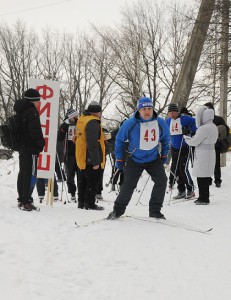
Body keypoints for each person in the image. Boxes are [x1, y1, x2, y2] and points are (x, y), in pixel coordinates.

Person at [107, 97, 170, 220]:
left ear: (153, 109)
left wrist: (164, 154)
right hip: (135, 159)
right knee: (128, 185)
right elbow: (119, 141)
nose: (147, 112)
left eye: (149, 109)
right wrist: (119, 159)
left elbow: (166, 139)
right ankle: (117, 211)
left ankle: (155, 211)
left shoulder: (160, 122)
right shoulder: (130, 123)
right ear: (139, 110)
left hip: (153, 158)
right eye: (144, 109)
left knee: (161, 180)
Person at [14, 88, 45, 211]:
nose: (39, 103)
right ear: (33, 100)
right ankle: (26, 201)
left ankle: (22, 198)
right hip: (30, 148)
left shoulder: (21, 111)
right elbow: (35, 131)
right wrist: (41, 144)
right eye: (38, 101)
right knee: (30, 174)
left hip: (22, 147)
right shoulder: (32, 112)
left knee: (23, 173)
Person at [183, 106, 218, 204]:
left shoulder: (203, 128)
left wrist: (186, 137)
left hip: (202, 154)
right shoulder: (213, 126)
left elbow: (194, 142)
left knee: (201, 177)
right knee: (205, 176)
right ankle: (204, 196)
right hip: (211, 152)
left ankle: (203, 198)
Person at [75, 101, 105, 210]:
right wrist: (96, 161)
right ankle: (90, 203)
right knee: (93, 181)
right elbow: (92, 143)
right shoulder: (93, 122)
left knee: (83, 180)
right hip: (90, 157)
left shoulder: (82, 119)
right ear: (97, 112)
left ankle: (81, 202)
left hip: (81, 155)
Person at [166, 103, 197, 199]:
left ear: (177, 111)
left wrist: (189, 130)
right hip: (174, 148)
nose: (172, 114)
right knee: (176, 170)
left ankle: (190, 189)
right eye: (170, 113)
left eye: (173, 112)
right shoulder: (167, 121)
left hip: (184, 147)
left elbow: (196, 124)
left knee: (183, 169)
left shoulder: (185, 119)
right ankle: (181, 190)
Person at [204, 102, 229, 188]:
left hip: (216, 145)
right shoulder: (204, 120)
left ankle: (217, 180)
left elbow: (226, 129)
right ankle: (208, 180)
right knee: (207, 164)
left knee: (216, 164)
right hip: (206, 145)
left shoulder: (218, 119)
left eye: (208, 109)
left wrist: (218, 132)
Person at [57, 108, 78, 201]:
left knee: (81, 174)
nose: (76, 117)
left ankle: (81, 192)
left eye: (76, 115)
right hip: (69, 153)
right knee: (70, 175)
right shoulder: (65, 124)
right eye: (74, 116)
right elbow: (59, 138)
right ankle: (72, 192)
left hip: (79, 152)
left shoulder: (80, 122)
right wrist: (64, 126)